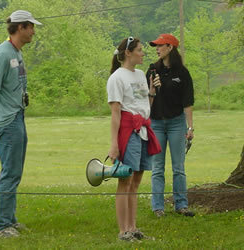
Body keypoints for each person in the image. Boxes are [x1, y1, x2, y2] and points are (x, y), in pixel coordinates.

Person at [0, 10, 42, 238]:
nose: (34, 31)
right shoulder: (2, 54)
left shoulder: (16, 52)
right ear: (20, 28)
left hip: (18, 117)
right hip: (7, 121)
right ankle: (1, 227)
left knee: (15, 172)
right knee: (9, 173)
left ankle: (10, 220)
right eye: (31, 27)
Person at [107, 37, 161, 241]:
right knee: (125, 181)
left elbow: (144, 105)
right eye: (139, 50)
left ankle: (133, 227)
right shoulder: (116, 78)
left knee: (136, 182)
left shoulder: (139, 75)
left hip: (144, 130)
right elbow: (115, 114)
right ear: (128, 53)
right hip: (128, 132)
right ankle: (123, 231)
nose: (143, 53)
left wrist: (152, 92)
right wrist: (114, 145)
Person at [146, 34, 195, 217]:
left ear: (170, 47)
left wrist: (190, 128)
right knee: (157, 168)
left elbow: (187, 103)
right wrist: (152, 90)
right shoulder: (152, 71)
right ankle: (158, 207)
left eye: (160, 46)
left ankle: (181, 205)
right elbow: (146, 101)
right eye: (156, 46)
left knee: (178, 167)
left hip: (176, 123)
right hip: (156, 123)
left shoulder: (182, 72)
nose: (157, 49)